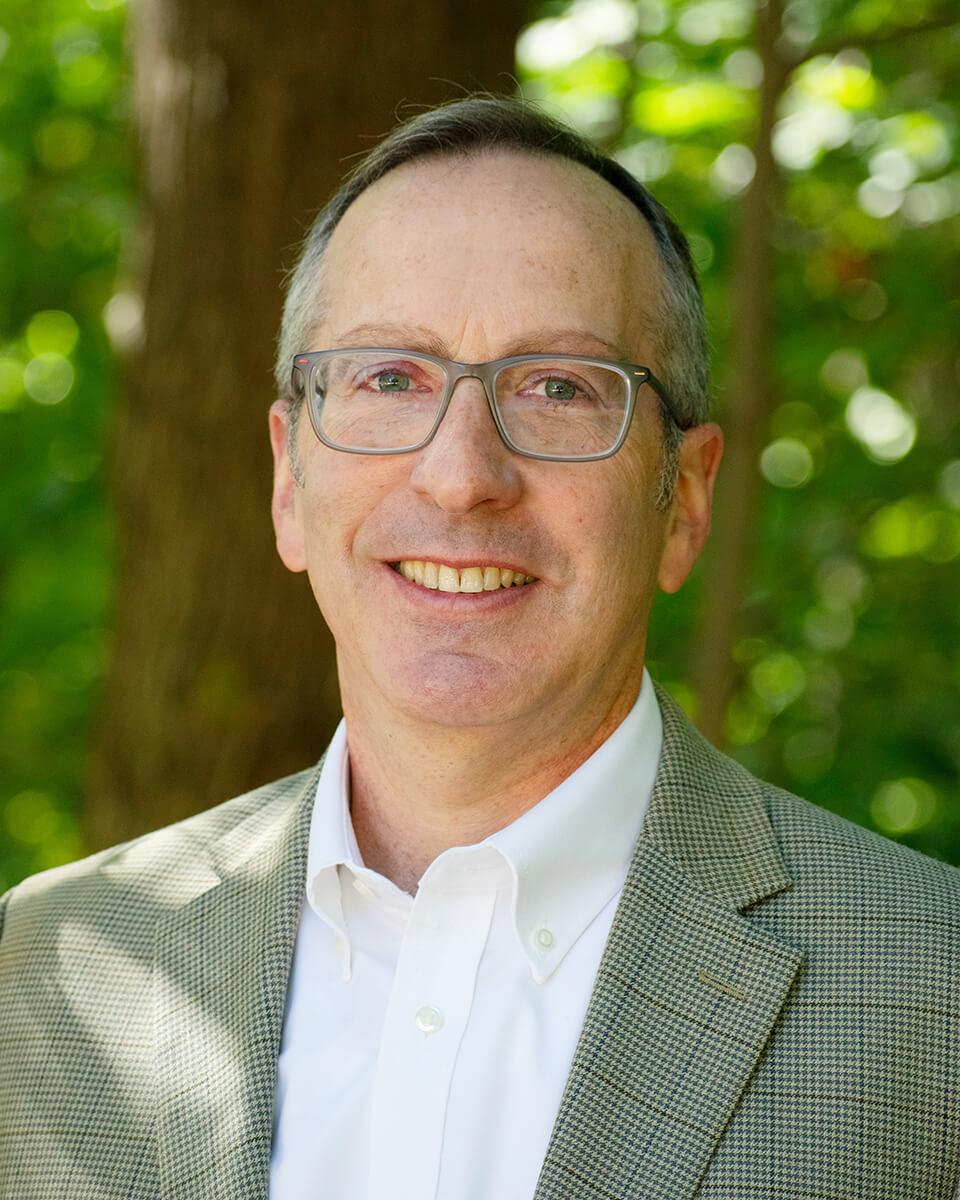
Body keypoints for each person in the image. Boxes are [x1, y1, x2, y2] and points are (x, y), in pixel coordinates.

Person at [1, 95, 957, 1200]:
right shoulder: (42, 968)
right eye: (388, 378)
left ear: (685, 502)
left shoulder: (935, 993)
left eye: (557, 388)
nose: (460, 476)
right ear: (287, 481)